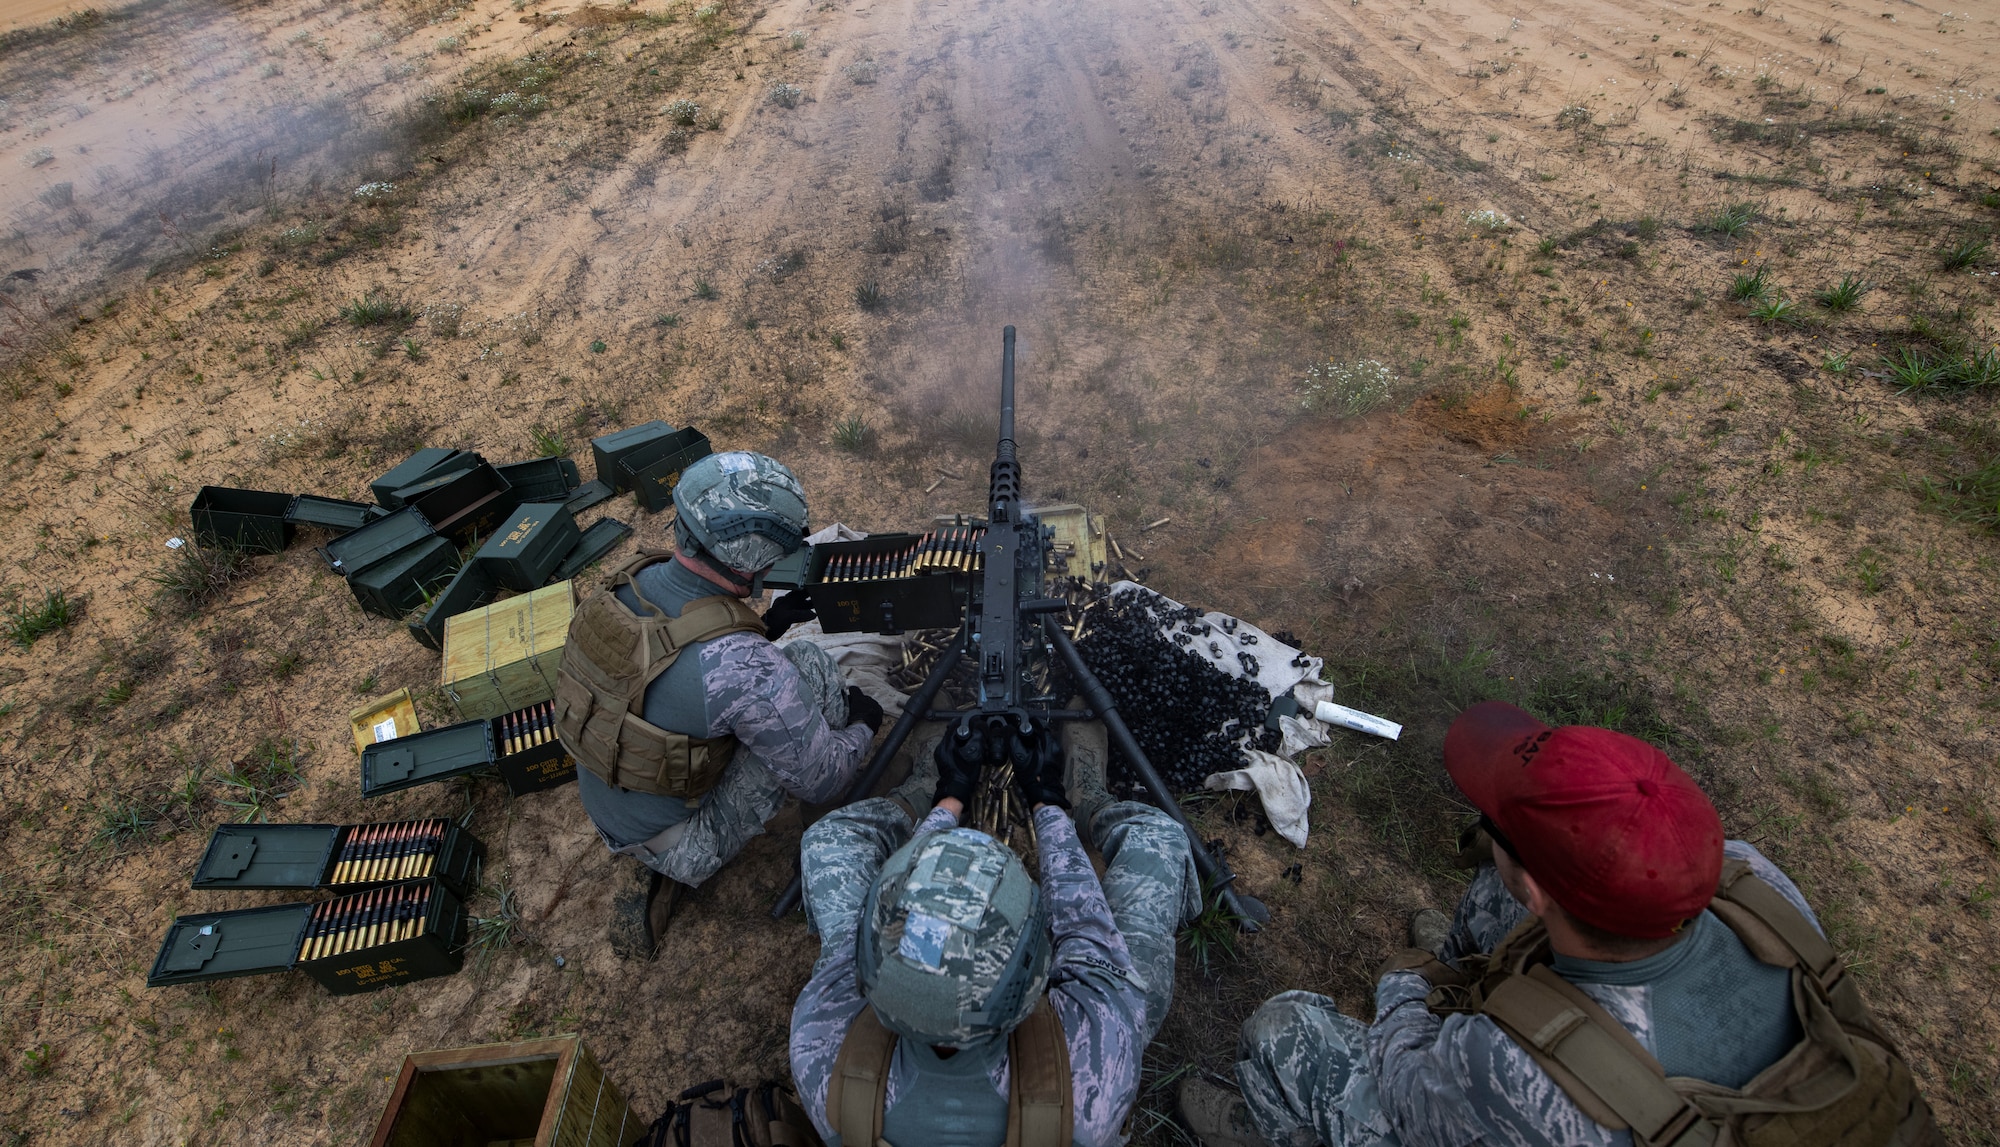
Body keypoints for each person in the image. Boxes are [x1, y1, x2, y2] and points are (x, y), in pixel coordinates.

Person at [1182, 700, 1935, 1147]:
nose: (1486, 821)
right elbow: (1518, 880)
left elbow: (1405, 1077)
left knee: (1283, 1030)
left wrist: (1407, 989)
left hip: (1567, 1092)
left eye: (1495, 823)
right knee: (1488, 894)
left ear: (1541, 890)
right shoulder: (1751, 876)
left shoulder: (1500, 1063)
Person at [789, 716, 1198, 1147]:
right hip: (1070, 1063)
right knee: (1158, 838)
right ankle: (1090, 800)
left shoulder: (821, 1042)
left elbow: (854, 951)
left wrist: (949, 797)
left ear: (866, 973)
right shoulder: (1099, 1057)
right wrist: (1046, 800)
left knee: (830, 839)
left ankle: (917, 792)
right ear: (1037, 982)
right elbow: (1085, 930)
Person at [554, 451, 884, 959]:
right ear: (747, 560)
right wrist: (864, 723)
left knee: (771, 675)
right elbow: (824, 776)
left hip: (608, 797)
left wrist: (767, 625)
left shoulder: (627, 584)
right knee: (810, 666)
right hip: (681, 841)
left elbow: (662, 665)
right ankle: (828, 840)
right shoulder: (745, 669)